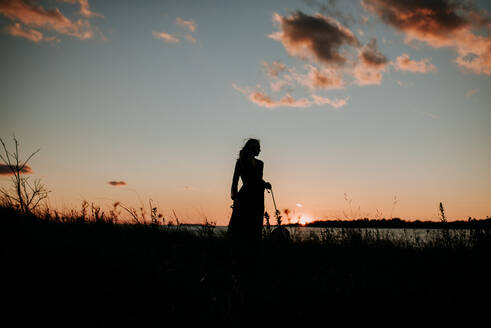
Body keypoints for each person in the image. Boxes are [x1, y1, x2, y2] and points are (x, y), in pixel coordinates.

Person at [228, 138, 272, 243]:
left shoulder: (260, 163)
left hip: (258, 197)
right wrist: (235, 197)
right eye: (259, 148)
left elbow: (258, 180)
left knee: (256, 226)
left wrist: (265, 184)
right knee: (241, 226)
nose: (260, 150)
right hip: (245, 197)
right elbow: (235, 182)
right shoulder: (241, 162)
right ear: (253, 148)